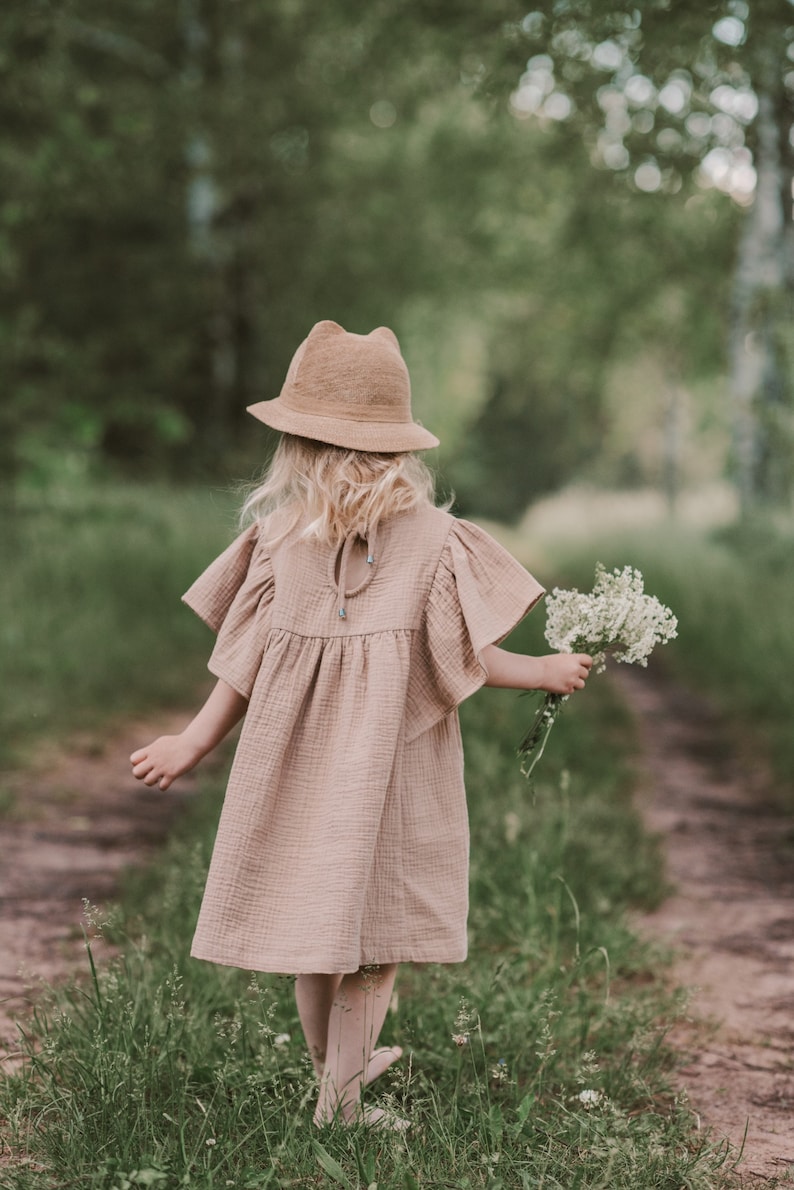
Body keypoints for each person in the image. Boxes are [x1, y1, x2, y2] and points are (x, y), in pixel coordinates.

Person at [130, 320, 592, 1129]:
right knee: (376, 942)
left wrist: (191, 742)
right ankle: (340, 1100)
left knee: (319, 929)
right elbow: (473, 656)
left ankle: (330, 1076)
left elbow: (239, 669)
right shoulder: (438, 541)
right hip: (396, 772)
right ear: (398, 448)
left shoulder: (276, 540)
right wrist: (546, 671)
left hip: (298, 766)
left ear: (297, 446)